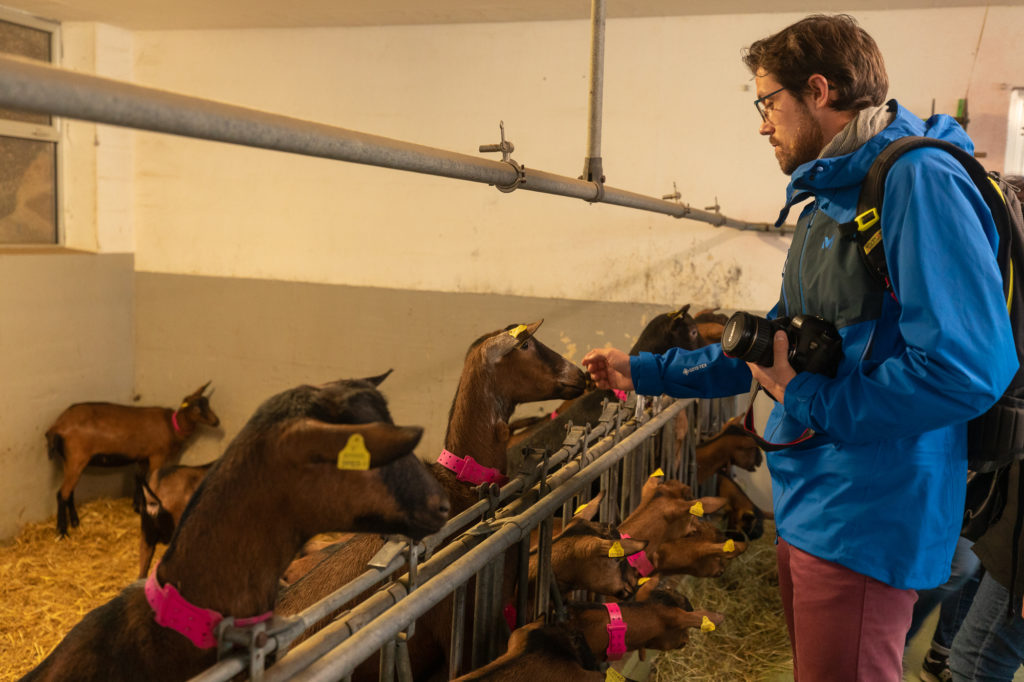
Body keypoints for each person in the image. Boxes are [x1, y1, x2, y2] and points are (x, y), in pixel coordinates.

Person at [582, 14, 1018, 682]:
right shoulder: (827, 199)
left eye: (768, 102)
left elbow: (967, 368)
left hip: (869, 513)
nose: (762, 123)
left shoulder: (915, 182)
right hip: (814, 499)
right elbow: (771, 346)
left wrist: (808, 397)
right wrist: (642, 370)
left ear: (819, 90)